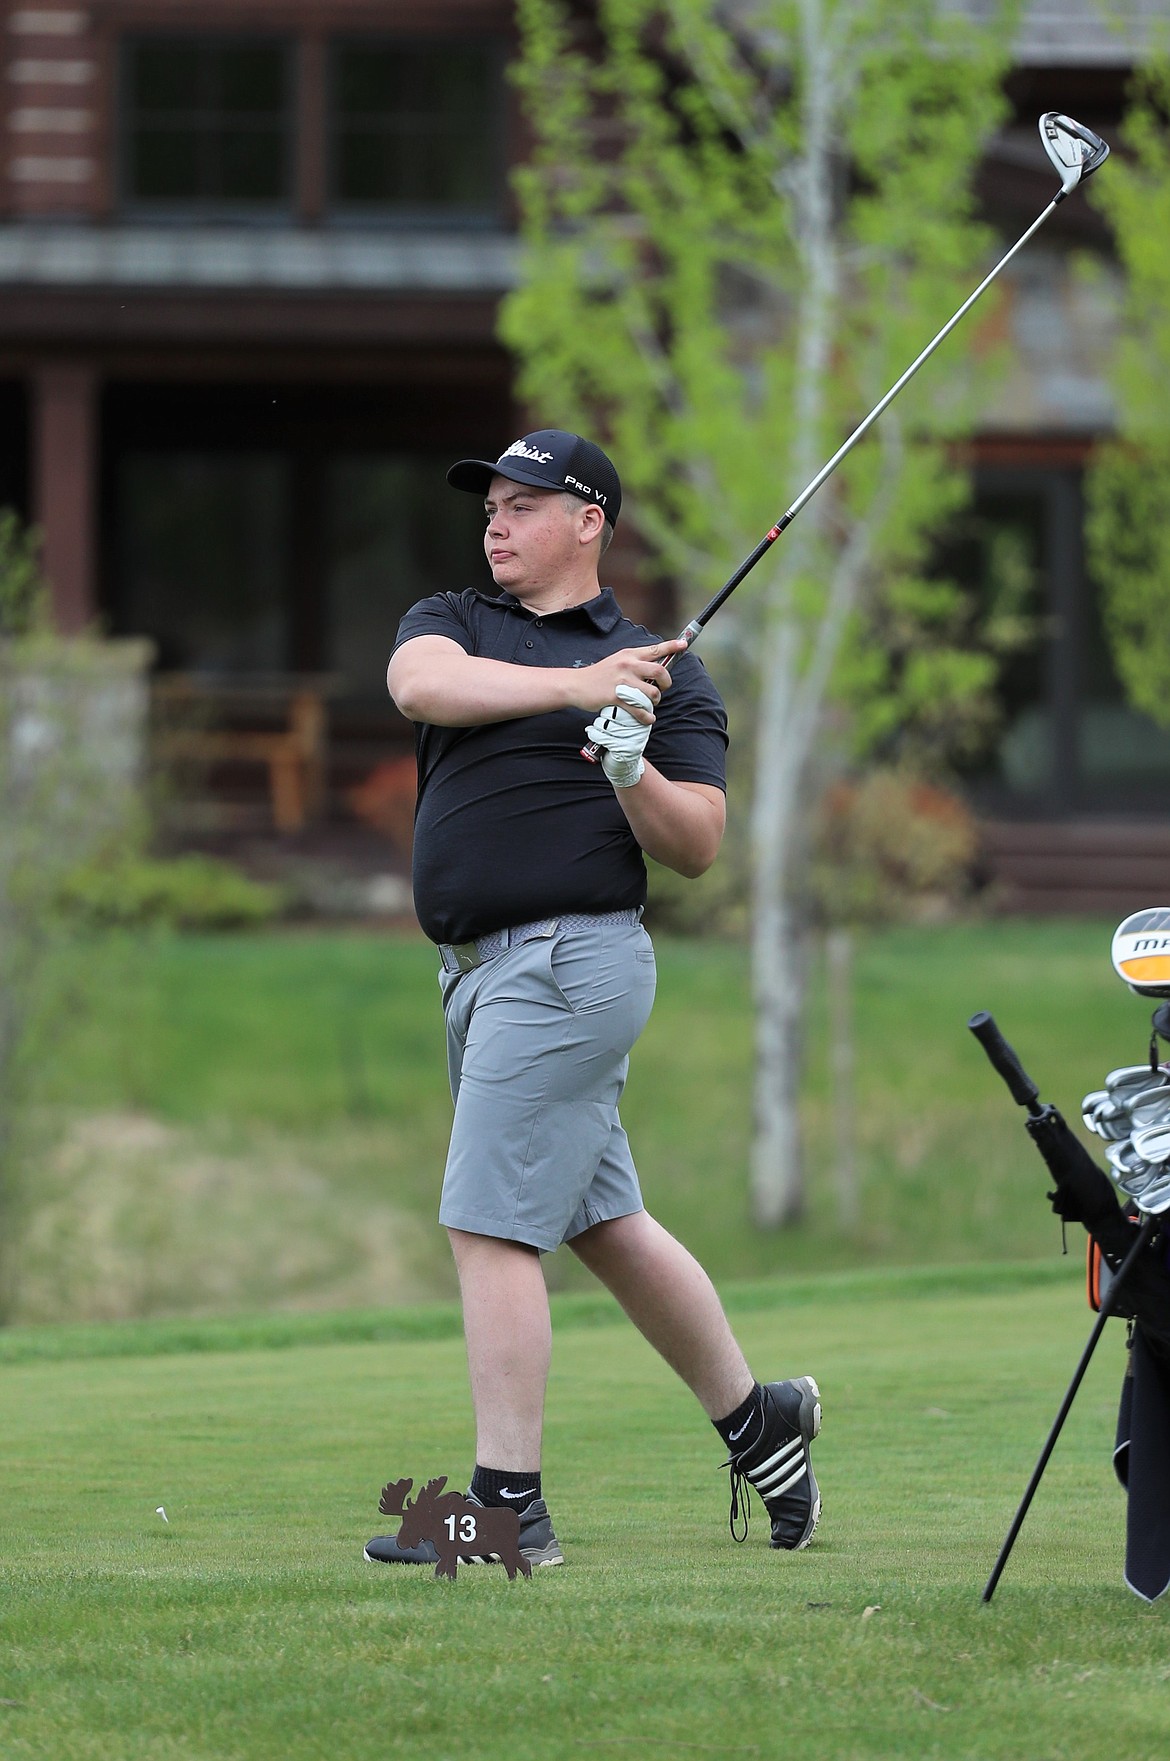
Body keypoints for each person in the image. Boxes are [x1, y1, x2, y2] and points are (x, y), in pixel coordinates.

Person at [364, 429, 822, 1570]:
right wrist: (577, 689)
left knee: (488, 1224)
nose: (497, 525)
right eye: (490, 508)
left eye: (523, 505)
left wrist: (631, 766)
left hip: (569, 965)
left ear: (589, 523)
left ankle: (506, 1509)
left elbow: (699, 845)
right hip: (474, 977)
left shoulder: (669, 672)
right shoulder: (459, 621)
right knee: (599, 1222)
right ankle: (759, 1421)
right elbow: (414, 684)